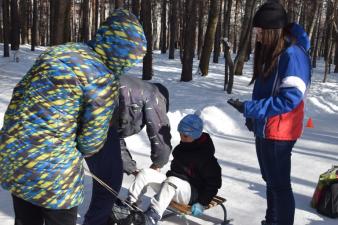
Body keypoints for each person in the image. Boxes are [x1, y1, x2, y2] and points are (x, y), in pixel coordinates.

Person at [0, 9, 146, 225]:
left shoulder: (57, 53)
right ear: (122, 54)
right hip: (53, 172)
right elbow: (91, 142)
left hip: (15, 154)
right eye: (131, 58)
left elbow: (19, 94)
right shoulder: (102, 78)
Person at [227, 1, 311, 225]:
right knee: (271, 181)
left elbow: (289, 99)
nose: (256, 36)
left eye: (259, 31)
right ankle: (271, 221)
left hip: (279, 131)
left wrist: (251, 109)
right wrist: (253, 118)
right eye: (255, 31)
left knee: (280, 186)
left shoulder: (292, 55)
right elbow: (267, 89)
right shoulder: (276, 50)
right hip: (266, 127)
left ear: (272, 30)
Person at [83, 75, 172, 225]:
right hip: (96, 122)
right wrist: (158, 163)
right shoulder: (155, 94)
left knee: (105, 181)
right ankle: (97, 221)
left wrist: (131, 168)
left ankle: (102, 218)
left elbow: (114, 138)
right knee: (109, 182)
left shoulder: (138, 89)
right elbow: (160, 134)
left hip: (90, 122)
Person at [113, 114, 222, 225]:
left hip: (192, 194)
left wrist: (202, 203)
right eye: (180, 134)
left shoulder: (205, 156)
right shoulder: (181, 148)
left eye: (185, 135)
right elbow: (175, 172)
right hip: (173, 186)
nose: (181, 138)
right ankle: (129, 205)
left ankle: (152, 217)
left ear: (196, 135)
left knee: (172, 182)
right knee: (145, 172)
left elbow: (214, 183)